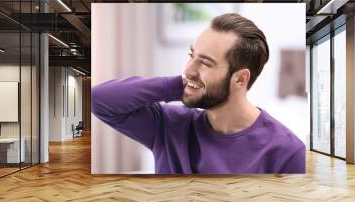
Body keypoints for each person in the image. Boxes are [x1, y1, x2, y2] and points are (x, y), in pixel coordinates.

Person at [92, 13, 306, 174]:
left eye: (205, 62)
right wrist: (176, 86)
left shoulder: (287, 151)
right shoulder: (168, 125)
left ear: (240, 78)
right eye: (191, 55)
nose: (187, 69)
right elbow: (100, 99)